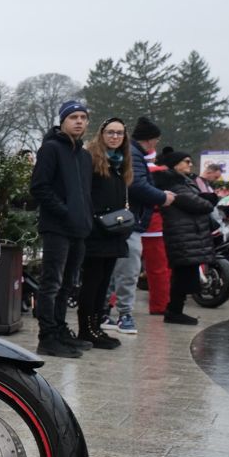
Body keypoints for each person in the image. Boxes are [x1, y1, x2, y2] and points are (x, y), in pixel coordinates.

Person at [29, 101, 93, 357]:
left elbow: (86, 193)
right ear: (63, 120)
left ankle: (60, 329)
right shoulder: (51, 149)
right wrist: (65, 212)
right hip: (57, 227)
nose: (79, 121)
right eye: (73, 117)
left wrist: (85, 217)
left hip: (79, 228)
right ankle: (47, 336)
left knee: (68, 283)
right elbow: (39, 187)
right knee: (51, 282)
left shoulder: (84, 155)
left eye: (83, 117)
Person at [106, 115, 171, 335]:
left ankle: (106, 312)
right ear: (151, 140)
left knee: (117, 270)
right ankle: (124, 314)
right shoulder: (134, 155)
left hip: (125, 221)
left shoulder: (131, 154)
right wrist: (163, 197)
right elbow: (138, 186)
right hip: (128, 222)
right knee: (128, 270)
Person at [78, 117, 129, 349]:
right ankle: (87, 329)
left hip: (114, 230)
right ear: (102, 134)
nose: (115, 137)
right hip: (96, 231)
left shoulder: (120, 163)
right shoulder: (91, 158)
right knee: (92, 283)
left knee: (104, 283)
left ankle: (96, 326)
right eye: (110, 132)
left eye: (119, 133)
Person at [149, 149, 215, 325]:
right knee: (182, 274)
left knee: (185, 273)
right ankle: (174, 311)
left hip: (189, 233)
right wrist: (210, 200)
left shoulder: (183, 181)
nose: (190, 164)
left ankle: (176, 310)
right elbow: (197, 203)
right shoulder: (173, 183)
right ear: (175, 164)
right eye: (186, 161)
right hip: (182, 234)